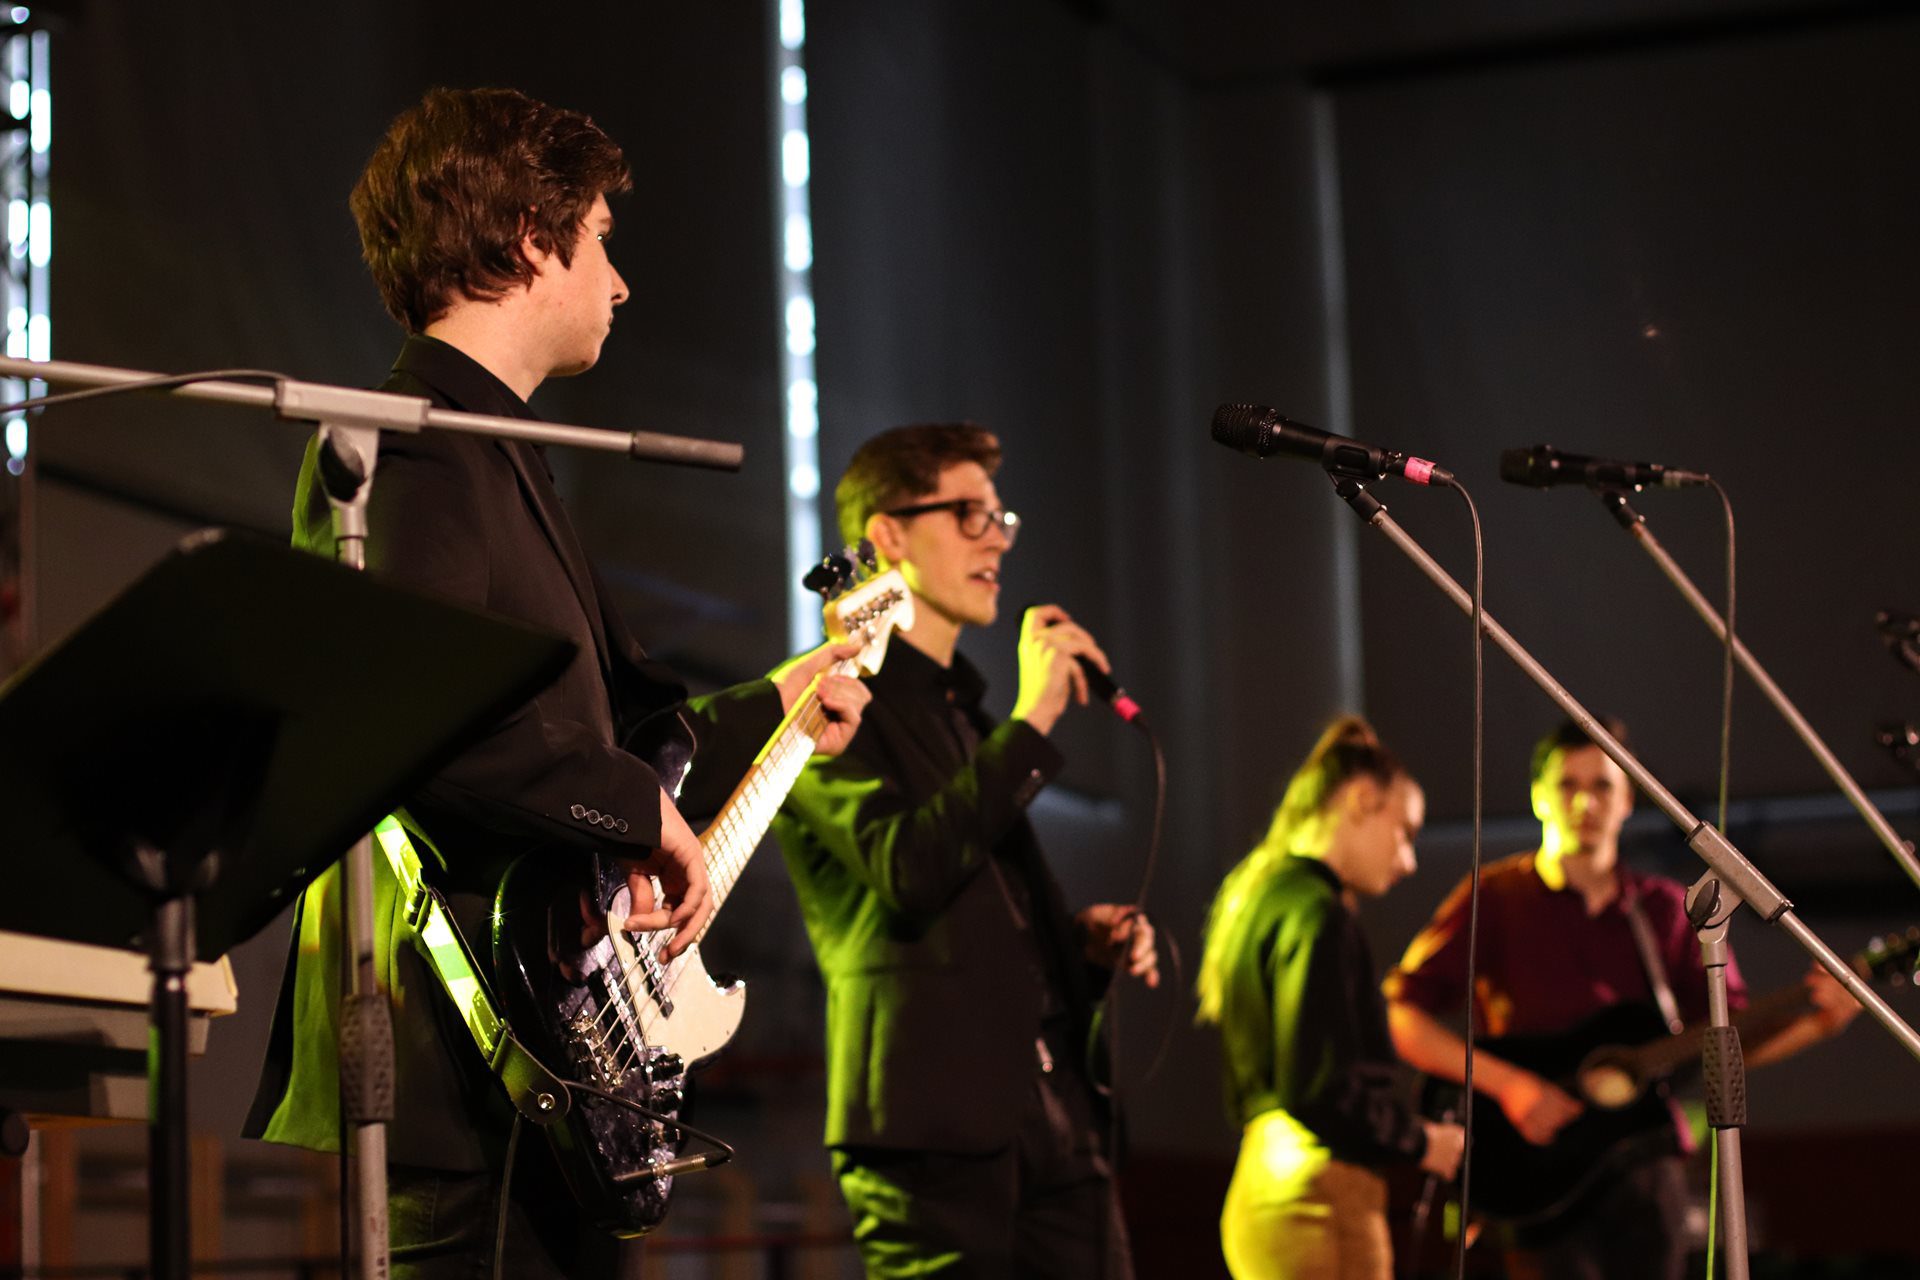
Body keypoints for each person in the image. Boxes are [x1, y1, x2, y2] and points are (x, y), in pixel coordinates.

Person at [244, 87, 869, 1279]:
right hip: (463, 1071)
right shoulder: (414, 443)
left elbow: (606, 733)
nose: (620, 284)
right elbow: (407, 711)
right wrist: (637, 813)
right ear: (535, 236)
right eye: (603, 240)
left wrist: (775, 701)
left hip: (545, 1078)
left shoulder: (501, 452)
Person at [771, 423, 1159, 1278]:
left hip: (1057, 1114)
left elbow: (978, 914)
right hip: (932, 1128)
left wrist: (1081, 945)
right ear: (889, 534)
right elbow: (909, 869)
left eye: (1001, 518)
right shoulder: (828, 702)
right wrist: (1036, 717)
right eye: (969, 515)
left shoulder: (966, 716)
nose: (997, 540)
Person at [1383, 717, 1860, 1280]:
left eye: (1603, 786)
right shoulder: (1493, 896)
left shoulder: (1666, 908)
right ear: (1538, 797)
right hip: (1536, 1177)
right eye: (1567, 785)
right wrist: (1510, 1085)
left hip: (1644, 1176)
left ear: (1627, 800)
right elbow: (1401, 1016)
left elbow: (1725, 1041)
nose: (1585, 802)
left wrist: (1820, 1024)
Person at [1195, 717, 1466, 1280]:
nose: (1408, 860)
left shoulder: (1262, 899)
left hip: (1267, 1183)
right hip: (1316, 1195)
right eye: (1405, 831)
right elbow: (1319, 1087)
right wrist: (1419, 1141)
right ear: (1363, 799)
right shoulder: (1319, 913)